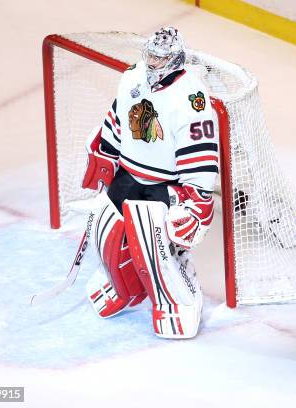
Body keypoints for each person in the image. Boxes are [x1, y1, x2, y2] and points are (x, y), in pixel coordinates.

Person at [81, 26, 218, 339]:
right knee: (105, 232)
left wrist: (196, 200)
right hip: (128, 173)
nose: (154, 62)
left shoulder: (192, 96)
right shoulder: (132, 76)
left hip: (163, 184)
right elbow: (118, 116)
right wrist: (104, 151)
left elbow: (201, 152)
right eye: (152, 55)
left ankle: (175, 301)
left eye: (161, 57)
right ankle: (120, 284)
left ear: (175, 59)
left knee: (151, 243)